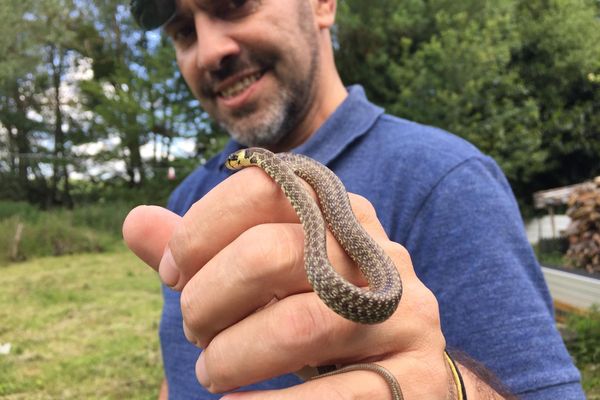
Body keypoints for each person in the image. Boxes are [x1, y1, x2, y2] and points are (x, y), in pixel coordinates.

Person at [122, 0, 585, 399]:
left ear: (323, 4)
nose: (210, 51)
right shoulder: (187, 196)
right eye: (183, 32)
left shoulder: (449, 178)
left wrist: (446, 388)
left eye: (235, 4)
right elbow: (179, 372)